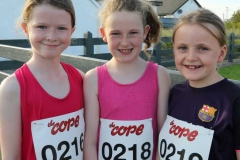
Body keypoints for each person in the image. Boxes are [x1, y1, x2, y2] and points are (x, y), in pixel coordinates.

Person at [83, 0, 171, 160]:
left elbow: (163, 137)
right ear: (103, 34)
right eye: (116, 33)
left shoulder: (160, 76)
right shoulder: (93, 79)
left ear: (145, 32)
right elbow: (90, 142)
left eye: (133, 33)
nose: (124, 42)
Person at [0, 0, 85, 159]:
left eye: (61, 28)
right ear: (25, 28)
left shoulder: (80, 79)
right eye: (42, 27)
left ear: (71, 32)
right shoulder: (12, 88)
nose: (51, 37)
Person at [158, 9, 240, 160]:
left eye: (202, 48)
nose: (191, 57)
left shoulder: (234, 99)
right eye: (183, 48)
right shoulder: (174, 94)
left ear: (221, 54)